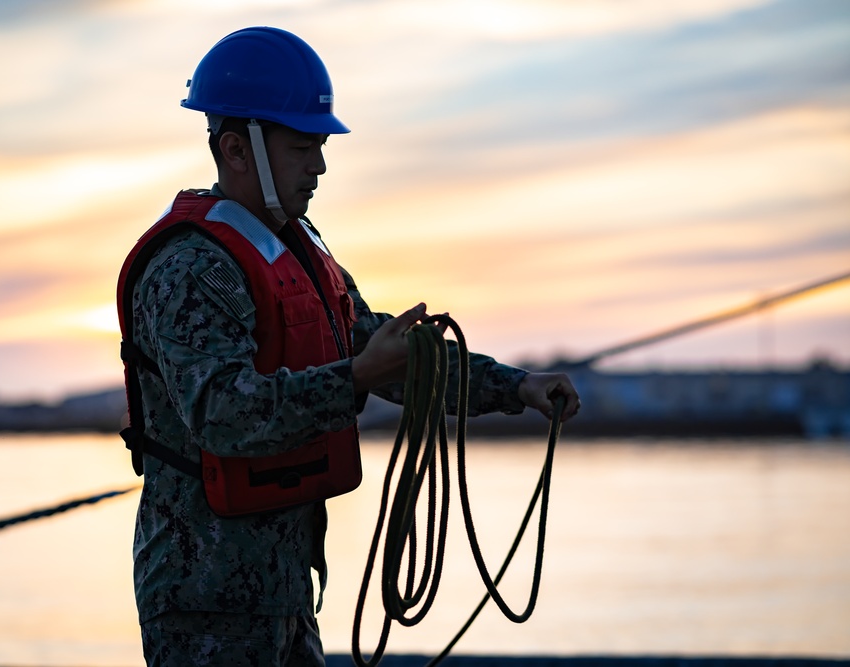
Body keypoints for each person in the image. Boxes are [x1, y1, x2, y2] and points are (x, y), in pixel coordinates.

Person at [117, 26, 580, 667]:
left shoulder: (299, 253)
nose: (321, 165)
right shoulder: (191, 269)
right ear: (237, 149)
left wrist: (517, 386)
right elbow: (222, 412)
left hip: (285, 590)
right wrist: (355, 378)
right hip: (205, 599)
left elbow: (382, 351)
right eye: (303, 146)